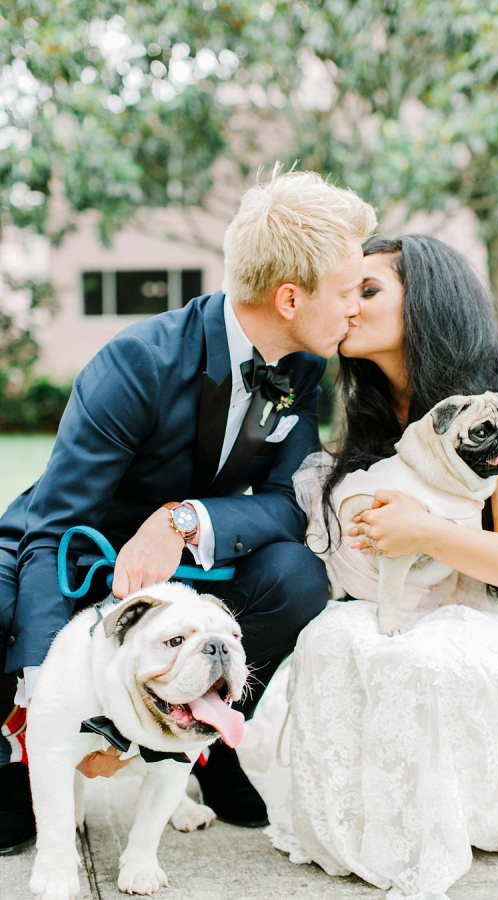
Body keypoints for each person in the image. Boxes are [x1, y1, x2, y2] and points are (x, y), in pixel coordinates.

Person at [0, 168, 377, 853]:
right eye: (349, 292)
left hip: (178, 563)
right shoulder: (136, 363)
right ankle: (16, 752)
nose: (357, 308)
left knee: (295, 576)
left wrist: (186, 520)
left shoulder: (299, 370)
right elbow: (52, 528)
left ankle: (207, 737)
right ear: (289, 298)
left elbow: (291, 504)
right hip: (72, 550)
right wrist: (45, 700)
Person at [254, 235, 498, 900]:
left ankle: (449, 826)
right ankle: (357, 828)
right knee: (328, 641)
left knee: (425, 664)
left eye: (369, 291)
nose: (347, 308)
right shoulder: (372, 407)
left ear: (430, 305)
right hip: (407, 600)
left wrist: (423, 530)